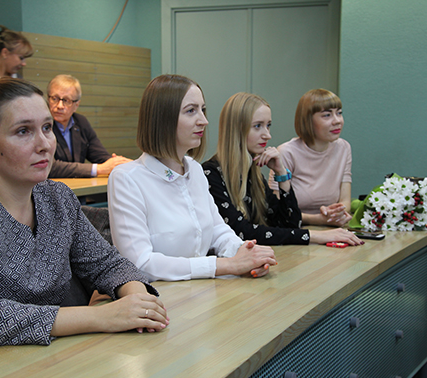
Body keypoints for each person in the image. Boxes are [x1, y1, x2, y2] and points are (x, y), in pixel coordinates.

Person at [0, 78, 167, 378]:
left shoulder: (57, 198)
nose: (45, 144)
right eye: (23, 131)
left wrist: (137, 302)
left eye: (47, 128)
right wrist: (102, 316)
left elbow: (108, 264)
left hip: (35, 363)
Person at [108, 74, 277, 282]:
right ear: (163, 118)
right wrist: (225, 265)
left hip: (202, 293)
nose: (204, 121)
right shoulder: (126, 179)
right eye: (191, 111)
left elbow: (217, 230)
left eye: (202, 110)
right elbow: (140, 264)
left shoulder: (195, 170)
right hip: (160, 298)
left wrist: (246, 253)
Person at [203, 92, 363, 246]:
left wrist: (281, 174)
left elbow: (289, 223)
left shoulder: (252, 173)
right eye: (258, 126)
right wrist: (314, 235)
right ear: (237, 130)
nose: (267, 135)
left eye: (268, 126)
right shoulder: (210, 173)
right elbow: (242, 232)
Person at [269, 88, 353, 227]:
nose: (337, 121)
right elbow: (276, 210)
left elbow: (345, 201)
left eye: (339, 113)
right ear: (308, 120)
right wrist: (318, 219)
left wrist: (337, 212)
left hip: (331, 227)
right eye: (327, 115)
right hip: (295, 229)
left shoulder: (343, 148)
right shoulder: (287, 152)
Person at [47, 74, 132, 178]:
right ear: (48, 99)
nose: (60, 106)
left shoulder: (80, 122)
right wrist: (98, 169)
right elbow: (50, 167)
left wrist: (117, 163)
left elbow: (99, 155)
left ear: (76, 105)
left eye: (66, 100)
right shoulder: (42, 125)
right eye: (55, 99)